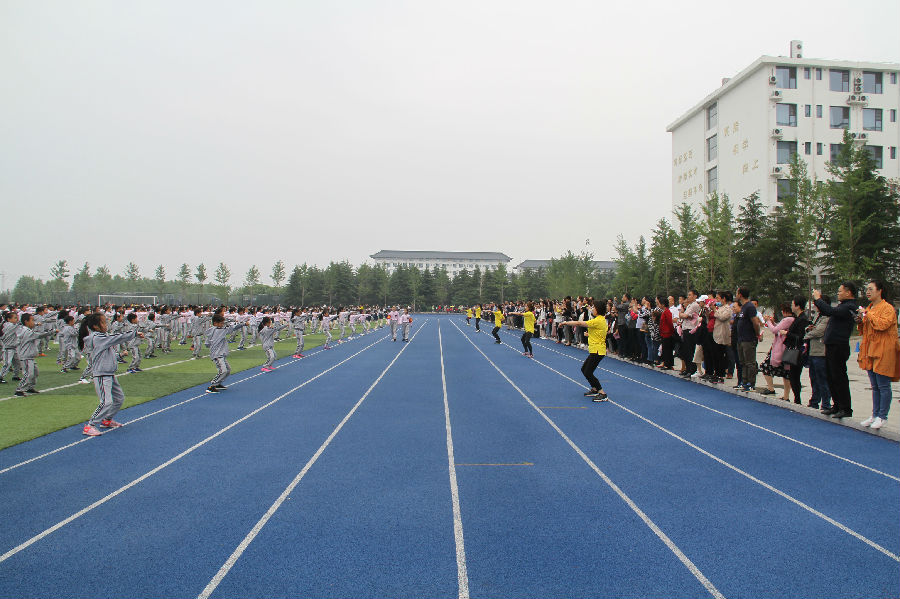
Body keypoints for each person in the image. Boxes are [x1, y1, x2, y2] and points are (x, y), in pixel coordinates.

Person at [79, 313, 143, 437]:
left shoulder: (102, 338)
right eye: (103, 322)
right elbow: (116, 338)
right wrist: (134, 333)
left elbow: (108, 355)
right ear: (96, 326)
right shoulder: (97, 338)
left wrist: (120, 355)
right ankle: (90, 426)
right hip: (102, 374)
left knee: (119, 399)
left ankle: (107, 420)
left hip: (109, 374)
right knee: (106, 402)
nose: (106, 324)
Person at [812, 282, 859, 419]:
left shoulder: (850, 307)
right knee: (831, 376)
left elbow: (829, 311)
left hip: (839, 345)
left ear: (848, 292)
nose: (838, 293)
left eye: (840, 291)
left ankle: (845, 408)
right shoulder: (843, 305)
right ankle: (837, 405)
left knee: (839, 377)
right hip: (831, 345)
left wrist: (818, 299)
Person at [856, 280, 899, 429]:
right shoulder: (869, 308)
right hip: (870, 349)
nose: (868, 292)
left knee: (883, 385)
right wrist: (860, 320)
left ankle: (882, 416)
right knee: (874, 386)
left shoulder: (887, 308)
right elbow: (864, 329)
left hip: (884, 349)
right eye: (866, 289)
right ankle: (875, 414)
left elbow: (882, 325)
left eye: (871, 289)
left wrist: (867, 314)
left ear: (880, 291)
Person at [560, 301, 609, 401]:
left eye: (594, 307)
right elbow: (600, 334)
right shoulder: (600, 320)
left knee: (588, 372)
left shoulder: (598, 320)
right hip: (595, 349)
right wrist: (589, 335)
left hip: (598, 351)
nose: (592, 309)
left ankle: (602, 393)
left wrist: (565, 322)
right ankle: (595, 389)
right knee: (584, 369)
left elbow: (579, 323)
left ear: (598, 310)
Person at [14, 313, 57, 397]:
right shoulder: (26, 331)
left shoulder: (26, 330)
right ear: (26, 321)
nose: (34, 322)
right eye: (32, 320)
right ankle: (19, 390)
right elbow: (38, 335)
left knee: (35, 372)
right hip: (26, 356)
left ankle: (30, 387)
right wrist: (52, 332)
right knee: (28, 374)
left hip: (29, 356)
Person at [758, 303, 795, 398]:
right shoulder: (792, 319)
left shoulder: (788, 319)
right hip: (786, 348)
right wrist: (773, 323)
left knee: (765, 366)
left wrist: (768, 321)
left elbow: (774, 330)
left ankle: (771, 388)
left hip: (780, 348)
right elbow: (778, 328)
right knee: (786, 372)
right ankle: (786, 396)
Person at [204, 313, 245, 393]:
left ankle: (218, 383)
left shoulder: (212, 330)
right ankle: (212, 386)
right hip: (217, 354)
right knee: (223, 371)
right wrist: (244, 324)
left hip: (220, 353)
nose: (223, 325)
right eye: (221, 323)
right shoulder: (220, 330)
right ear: (215, 323)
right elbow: (233, 327)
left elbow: (207, 344)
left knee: (228, 370)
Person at [804, 296, 831, 410]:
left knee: (822, 379)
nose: (815, 306)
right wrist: (808, 329)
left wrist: (807, 335)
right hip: (813, 350)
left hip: (821, 352)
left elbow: (819, 331)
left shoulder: (827, 317)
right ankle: (814, 401)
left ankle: (826, 403)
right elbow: (812, 328)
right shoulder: (818, 316)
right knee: (814, 378)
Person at [784, 296, 810, 404]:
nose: (791, 306)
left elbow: (800, 336)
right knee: (792, 375)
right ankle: (796, 398)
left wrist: (787, 333)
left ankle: (797, 399)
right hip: (793, 349)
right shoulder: (797, 318)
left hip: (798, 350)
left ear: (798, 306)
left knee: (795, 375)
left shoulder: (802, 319)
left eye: (793, 304)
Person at [735, 287, 760, 392]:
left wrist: (757, 334)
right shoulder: (743, 307)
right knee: (743, 362)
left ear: (740, 294)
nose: (736, 295)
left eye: (737, 293)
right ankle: (744, 382)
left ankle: (751, 383)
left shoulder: (750, 307)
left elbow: (755, 322)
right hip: (741, 339)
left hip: (748, 338)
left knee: (750, 362)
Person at [0, 310, 22, 384]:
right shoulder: (8, 325)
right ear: (9, 319)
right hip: (8, 348)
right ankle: (0, 377)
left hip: (13, 347)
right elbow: (18, 325)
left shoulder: (11, 325)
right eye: (15, 318)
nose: (16, 319)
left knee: (17, 362)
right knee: (7, 363)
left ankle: (15, 376)